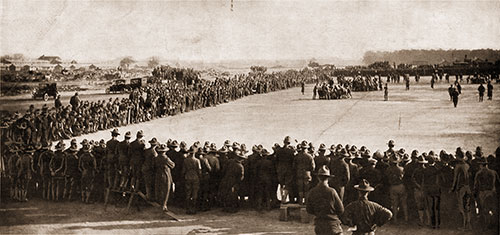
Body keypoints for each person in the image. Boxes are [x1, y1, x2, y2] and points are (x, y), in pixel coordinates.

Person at [306, 165, 344, 235]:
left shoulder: (312, 191)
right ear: (328, 178)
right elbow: (341, 209)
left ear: (318, 178)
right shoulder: (332, 191)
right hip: (332, 225)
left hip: (319, 224)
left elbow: (309, 209)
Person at [473, 158, 499, 229]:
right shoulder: (493, 172)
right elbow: (498, 183)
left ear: (481, 165)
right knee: (493, 209)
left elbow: (476, 185)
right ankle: (494, 225)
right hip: (492, 192)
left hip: (483, 193)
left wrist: (475, 194)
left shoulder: (479, 173)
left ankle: (487, 226)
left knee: (485, 210)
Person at [450, 152, 472, 230]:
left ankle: (463, 225)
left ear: (459, 157)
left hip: (461, 188)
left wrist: (452, 188)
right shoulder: (467, 165)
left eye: (456, 156)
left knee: (461, 207)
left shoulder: (458, 166)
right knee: (467, 207)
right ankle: (468, 225)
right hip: (468, 187)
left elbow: (455, 179)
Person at [384, 155, 408, 223]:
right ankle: (406, 218)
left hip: (393, 186)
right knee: (404, 203)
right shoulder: (401, 169)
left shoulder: (388, 169)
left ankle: (395, 219)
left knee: (394, 204)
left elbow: (387, 177)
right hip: (401, 186)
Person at [154, 144, 175, 212]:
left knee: (159, 189)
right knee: (166, 190)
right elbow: (172, 165)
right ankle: (164, 205)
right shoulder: (166, 158)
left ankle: (160, 203)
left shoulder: (156, 158)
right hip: (165, 174)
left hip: (158, 174)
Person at [294, 141, 315, 205]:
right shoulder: (309, 156)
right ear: (306, 148)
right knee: (306, 189)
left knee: (300, 189)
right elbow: (313, 167)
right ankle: (306, 203)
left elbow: (294, 166)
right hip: (307, 174)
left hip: (299, 174)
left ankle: (300, 202)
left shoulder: (297, 156)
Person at [182, 146, 202, 214]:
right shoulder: (197, 161)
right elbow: (199, 171)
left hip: (187, 177)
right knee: (195, 193)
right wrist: (200, 177)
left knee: (188, 193)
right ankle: (193, 208)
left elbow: (183, 171)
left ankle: (188, 208)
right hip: (195, 177)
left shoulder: (185, 160)